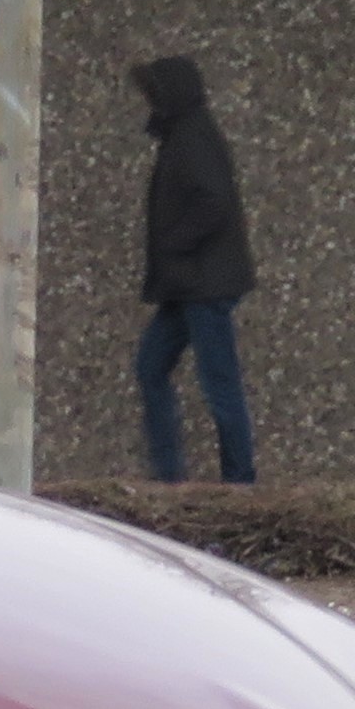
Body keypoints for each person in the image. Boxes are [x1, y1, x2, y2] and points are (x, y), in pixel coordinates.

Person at [131, 54, 258, 485]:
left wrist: (174, 244)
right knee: (151, 366)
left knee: (220, 386)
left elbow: (214, 203)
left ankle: (240, 483)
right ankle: (169, 477)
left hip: (203, 285)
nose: (148, 101)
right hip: (188, 285)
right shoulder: (184, 135)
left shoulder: (192, 138)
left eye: (153, 93)